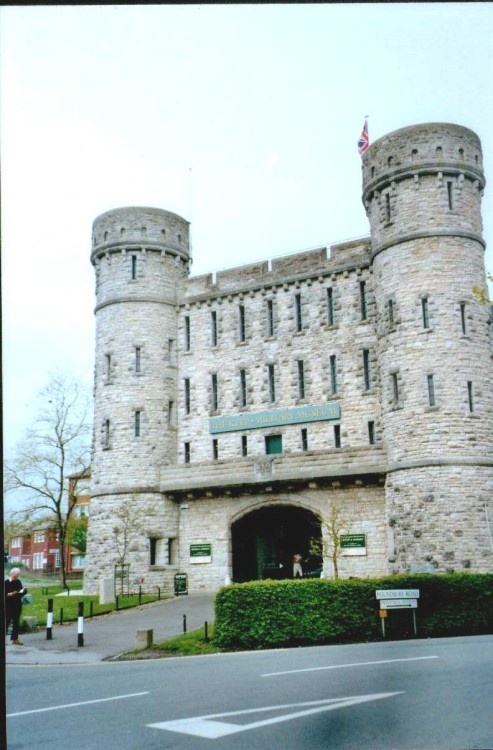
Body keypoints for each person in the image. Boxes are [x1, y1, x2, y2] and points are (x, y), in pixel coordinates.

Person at [5, 567, 27, 645]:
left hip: (17, 605)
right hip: (8, 606)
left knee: (16, 623)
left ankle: (15, 639)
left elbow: (21, 592)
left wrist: (24, 591)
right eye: (15, 576)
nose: (16, 577)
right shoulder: (6, 582)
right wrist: (9, 594)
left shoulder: (18, 582)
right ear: (11, 574)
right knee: (6, 622)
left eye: (17, 576)